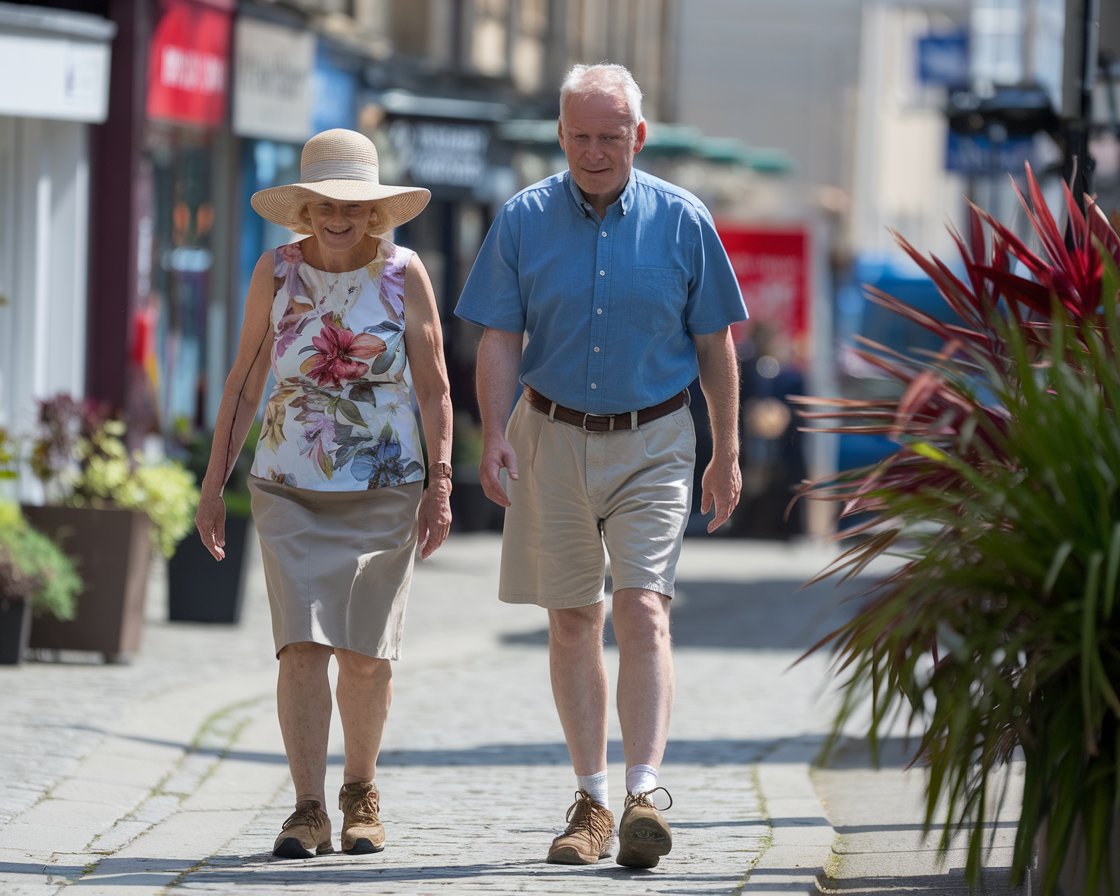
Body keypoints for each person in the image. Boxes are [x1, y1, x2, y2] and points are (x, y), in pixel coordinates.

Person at [454, 63, 746, 869]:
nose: (593, 151)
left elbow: (714, 341)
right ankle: (591, 801)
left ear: (637, 137)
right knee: (572, 618)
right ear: (560, 135)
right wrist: (495, 432)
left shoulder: (684, 221)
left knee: (642, 607)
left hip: (656, 440)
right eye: (579, 136)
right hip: (549, 433)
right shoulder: (521, 220)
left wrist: (726, 451)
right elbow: (500, 338)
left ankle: (644, 793)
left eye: (609, 137)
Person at [195, 128, 452, 859]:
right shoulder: (275, 272)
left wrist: (440, 486)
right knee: (300, 647)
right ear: (304, 208)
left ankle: (360, 792)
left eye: (353, 204)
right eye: (324, 203)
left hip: (384, 485)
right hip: (289, 485)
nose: (338, 216)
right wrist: (213, 484)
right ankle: (307, 808)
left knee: (366, 654)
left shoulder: (405, 273)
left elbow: (434, 389)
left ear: (374, 211)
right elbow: (245, 381)